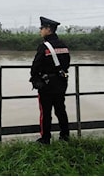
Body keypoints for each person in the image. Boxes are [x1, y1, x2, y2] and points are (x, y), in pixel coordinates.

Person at [29, 16, 70, 144]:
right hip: (61, 83)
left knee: (45, 113)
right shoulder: (63, 45)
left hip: (46, 85)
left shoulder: (44, 47)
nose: (40, 30)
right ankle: (65, 136)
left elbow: (35, 66)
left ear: (48, 29)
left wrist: (35, 79)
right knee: (61, 110)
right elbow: (67, 63)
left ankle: (45, 138)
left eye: (42, 28)